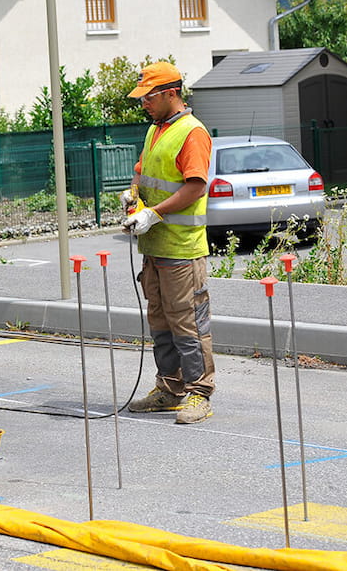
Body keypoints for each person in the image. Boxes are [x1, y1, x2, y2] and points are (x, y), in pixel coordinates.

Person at [121, 62, 215, 425]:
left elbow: (195, 185)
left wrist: (154, 213)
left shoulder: (192, 133)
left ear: (171, 93)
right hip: (155, 248)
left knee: (188, 323)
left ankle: (198, 393)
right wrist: (133, 198)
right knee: (160, 321)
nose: (143, 102)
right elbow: (140, 172)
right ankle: (169, 388)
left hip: (182, 249)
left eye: (149, 96)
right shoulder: (155, 130)